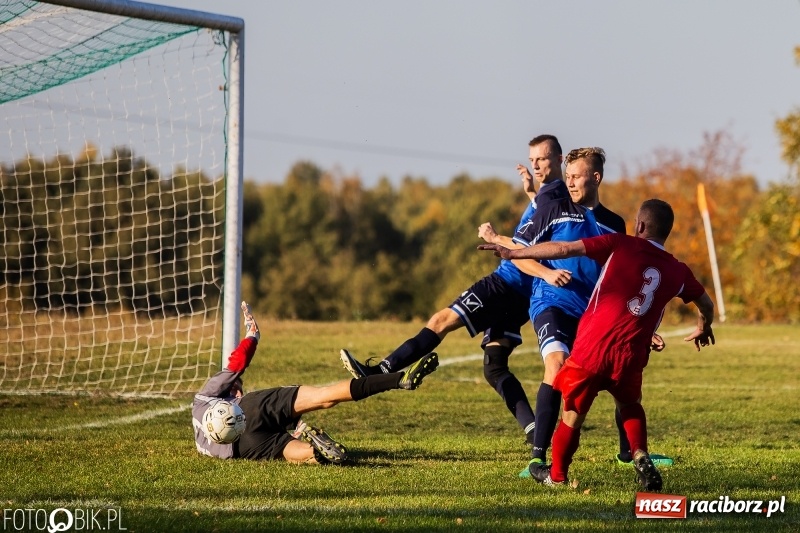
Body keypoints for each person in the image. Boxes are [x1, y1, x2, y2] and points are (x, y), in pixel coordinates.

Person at [340, 134, 571, 448]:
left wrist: (496, 237)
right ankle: (533, 431)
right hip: (523, 297)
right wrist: (531, 191)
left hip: (503, 284)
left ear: (559, 159)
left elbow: (523, 248)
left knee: (441, 321)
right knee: (494, 366)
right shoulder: (554, 197)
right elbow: (542, 233)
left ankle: (379, 370)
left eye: (542, 159)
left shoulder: (551, 197)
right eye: (532, 160)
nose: (536, 166)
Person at [479, 199, 715, 489]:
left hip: (593, 349)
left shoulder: (621, 244)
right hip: (631, 354)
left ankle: (557, 475)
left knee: (571, 416)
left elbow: (564, 249)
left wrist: (516, 252)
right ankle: (640, 453)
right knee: (630, 405)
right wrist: (704, 326)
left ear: (640, 225)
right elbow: (706, 304)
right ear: (667, 231)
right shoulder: (679, 271)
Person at [506, 146, 636, 470]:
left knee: (622, 373)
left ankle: (629, 453)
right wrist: (547, 274)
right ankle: (537, 459)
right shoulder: (554, 209)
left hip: (591, 315)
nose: (570, 182)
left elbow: (617, 278)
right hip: (551, 302)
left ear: (596, 177)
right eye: (568, 176)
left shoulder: (614, 224)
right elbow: (520, 251)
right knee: (556, 364)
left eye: (577, 176)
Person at [193, 302, 440, 464]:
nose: (237, 385)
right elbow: (236, 364)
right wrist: (252, 334)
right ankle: (399, 379)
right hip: (251, 409)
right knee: (325, 396)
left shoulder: (203, 443)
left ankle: (315, 453)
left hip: (242, 448)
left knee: (288, 451)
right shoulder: (203, 399)